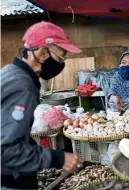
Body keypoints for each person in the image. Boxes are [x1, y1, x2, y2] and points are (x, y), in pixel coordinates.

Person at [1, 21, 83, 189]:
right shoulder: (22, 85)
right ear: (43, 52)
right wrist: (58, 159)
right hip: (10, 180)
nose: (62, 63)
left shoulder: (9, 73)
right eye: (61, 57)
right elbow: (6, 151)